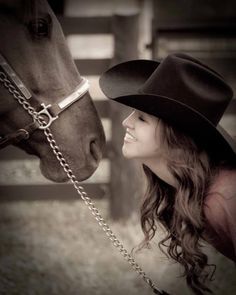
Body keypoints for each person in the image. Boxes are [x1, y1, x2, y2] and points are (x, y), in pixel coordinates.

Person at [99, 53, 236, 295]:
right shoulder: (200, 188)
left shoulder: (224, 200)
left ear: (176, 137)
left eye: (141, 118)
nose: (126, 123)